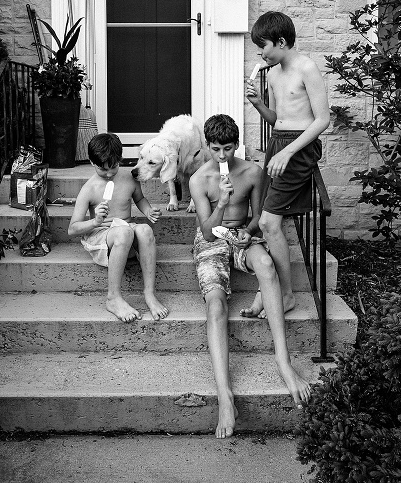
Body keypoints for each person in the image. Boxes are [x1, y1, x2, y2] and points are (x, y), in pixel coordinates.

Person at [189, 114, 310, 439]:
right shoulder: (199, 179)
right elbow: (207, 232)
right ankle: (225, 395)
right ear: (207, 146)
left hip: (241, 236)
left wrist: (248, 232)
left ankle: (284, 363)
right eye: (216, 149)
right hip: (211, 240)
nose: (223, 155)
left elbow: (258, 217)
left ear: (237, 144)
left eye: (228, 148)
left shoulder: (253, 172)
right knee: (216, 305)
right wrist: (222, 202)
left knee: (267, 266)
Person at [243, 11, 330, 319]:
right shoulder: (273, 74)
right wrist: (258, 104)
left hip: (298, 148)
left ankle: (286, 294)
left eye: (263, 46)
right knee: (269, 222)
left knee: (268, 223)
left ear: (281, 41)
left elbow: (322, 120)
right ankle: (276, 291)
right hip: (279, 144)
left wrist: (288, 153)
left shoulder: (307, 67)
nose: (260, 53)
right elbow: (276, 119)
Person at [68, 133, 169, 322]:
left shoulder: (129, 178)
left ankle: (149, 293)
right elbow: (72, 229)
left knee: (145, 230)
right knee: (124, 232)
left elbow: (140, 199)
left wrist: (148, 211)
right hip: (102, 236)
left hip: (126, 230)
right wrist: (95, 221)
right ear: (91, 162)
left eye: (113, 167)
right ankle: (113, 297)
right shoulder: (89, 189)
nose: (109, 174)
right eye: (102, 169)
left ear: (120, 160)